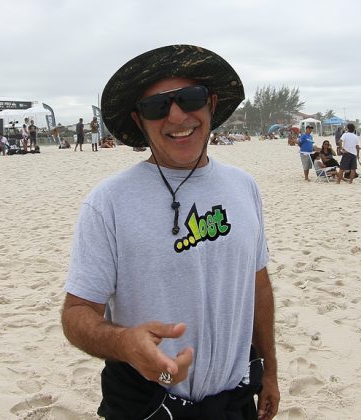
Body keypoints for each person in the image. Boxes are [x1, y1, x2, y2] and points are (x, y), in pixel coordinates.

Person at [61, 45, 279, 420]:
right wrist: (124, 343)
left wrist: (270, 370)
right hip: (148, 404)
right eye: (157, 106)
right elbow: (77, 313)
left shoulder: (245, 188)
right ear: (139, 120)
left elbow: (257, 284)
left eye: (189, 98)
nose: (177, 115)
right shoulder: (108, 202)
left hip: (234, 401)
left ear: (210, 103)